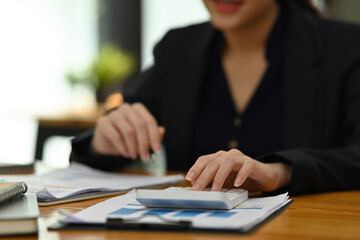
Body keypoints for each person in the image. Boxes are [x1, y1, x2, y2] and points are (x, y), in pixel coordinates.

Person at [71, 0, 360, 195]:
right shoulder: (178, 48)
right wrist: (104, 141)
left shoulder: (345, 47)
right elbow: (126, 128)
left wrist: (280, 171)